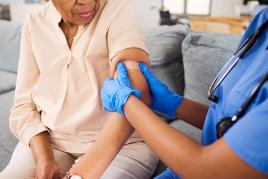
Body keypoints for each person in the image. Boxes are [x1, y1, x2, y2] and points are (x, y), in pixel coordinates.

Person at [101, 8, 268, 178]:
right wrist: (175, 104)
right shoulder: (263, 22)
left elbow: (207, 170)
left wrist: (127, 102)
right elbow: (234, 122)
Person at [0, 0, 159, 178]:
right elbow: (23, 107)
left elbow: (135, 87)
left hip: (124, 146)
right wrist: (44, 158)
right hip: (52, 141)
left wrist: (83, 171)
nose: (88, 1)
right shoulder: (34, 23)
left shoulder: (117, 8)